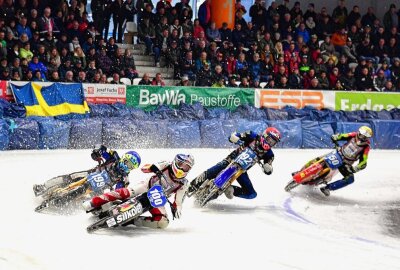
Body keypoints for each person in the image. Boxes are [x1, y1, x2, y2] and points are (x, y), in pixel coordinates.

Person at [83, 154, 195, 229]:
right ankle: (93, 202)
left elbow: (178, 201)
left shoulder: (183, 184)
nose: (182, 169)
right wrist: (153, 168)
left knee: (163, 222)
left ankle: (133, 220)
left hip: (157, 199)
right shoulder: (166, 165)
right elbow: (144, 168)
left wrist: (177, 209)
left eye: (186, 168)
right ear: (176, 162)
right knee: (125, 192)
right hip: (146, 186)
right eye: (181, 165)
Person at [188, 127, 281, 200]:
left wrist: (268, 168)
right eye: (269, 139)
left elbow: (269, 166)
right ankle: (190, 188)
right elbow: (236, 135)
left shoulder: (270, 154)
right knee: (210, 172)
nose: (270, 143)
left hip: (242, 170)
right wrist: (234, 137)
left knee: (252, 194)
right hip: (230, 160)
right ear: (265, 135)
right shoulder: (252, 135)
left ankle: (230, 189)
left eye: (273, 142)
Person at [33, 145, 141, 197]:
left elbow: (118, 193)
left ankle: (69, 206)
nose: (126, 167)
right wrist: (97, 152)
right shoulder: (114, 157)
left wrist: (115, 196)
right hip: (91, 174)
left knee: (89, 200)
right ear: (123, 158)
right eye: (126, 163)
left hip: (100, 188)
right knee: (70, 177)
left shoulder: (124, 179)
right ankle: (43, 186)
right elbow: (102, 148)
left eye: (130, 167)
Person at [319, 126, 373, 196]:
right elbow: (343, 136)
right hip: (338, 153)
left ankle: (327, 188)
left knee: (350, 179)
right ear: (359, 132)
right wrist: (336, 137)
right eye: (362, 135)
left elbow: (364, 162)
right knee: (320, 159)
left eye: (365, 136)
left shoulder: (366, 147)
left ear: (367, 138)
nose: (362, 137)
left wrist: (355, 168)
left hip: (346, 164)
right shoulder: (353, 135)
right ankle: (305, 168)